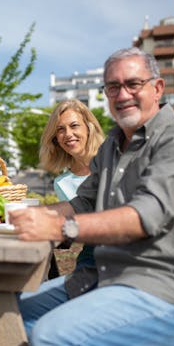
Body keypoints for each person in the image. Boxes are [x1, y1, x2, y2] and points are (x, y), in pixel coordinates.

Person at [10, 47, 174, 346]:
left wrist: (61, 228)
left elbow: (147, 214)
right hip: (108, 277)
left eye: (133, 83)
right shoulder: (111, 147)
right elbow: (82, 203)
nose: (123, 94)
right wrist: (28, 215)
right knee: (9, 315)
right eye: (113, 87)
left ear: (157, 88)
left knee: (52, 335)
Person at [39, 99, 105, 284]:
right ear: (55, 139)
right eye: (60, 129)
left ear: (88, 128)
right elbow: (76, 230)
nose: (68, 134)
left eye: (74, 125)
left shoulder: (111, 159)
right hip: (93, 259)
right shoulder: (63, 183)